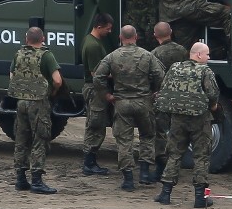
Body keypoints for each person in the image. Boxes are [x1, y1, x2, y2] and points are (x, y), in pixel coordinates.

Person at [93, 25, 165, 191]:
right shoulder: (147, 56)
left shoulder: (112, 56)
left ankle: (128, 179)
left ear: (120, 37)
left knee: (124, 141)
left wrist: (107, 95)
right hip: (143, 102)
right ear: (136, 37)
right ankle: (145, 173)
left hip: (122, 102)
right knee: (148, 136)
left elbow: (98, 77)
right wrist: (156, 91)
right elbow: (160, 75)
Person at [153, 42, 220, 208]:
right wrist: (214, 107)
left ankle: (165, 193)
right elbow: (213, 94)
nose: (209, 58)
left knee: (174, 154)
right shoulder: (205, 71)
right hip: (199, 118)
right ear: (198, 55)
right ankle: (199, 197)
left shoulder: (175, 68)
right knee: (201, 155)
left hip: (177, 118)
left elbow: (165, 88)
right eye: (207, 54)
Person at [8, 27, 62, 195]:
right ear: (43, 38)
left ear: (26, 40)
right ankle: (37, 180)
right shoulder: (46, 55)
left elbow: (11, 76)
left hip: (21, 102)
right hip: (38, 103)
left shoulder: (18, 54)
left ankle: (21, 179)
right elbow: (57, 80)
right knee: (40, 139)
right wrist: (51, 92)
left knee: (21, 139)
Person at [149, 21, 188, 181]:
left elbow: (152, 76)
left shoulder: (154, 54)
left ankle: (161, 168)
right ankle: (175, 166)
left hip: (162, 99)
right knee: (177, 132)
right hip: (179, 97)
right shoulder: (182, 50)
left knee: (160, 133)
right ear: (171, 32)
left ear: (155, 35)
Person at [80, 12, 113, 176]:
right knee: (95, 125)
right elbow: (95, 74)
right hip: (95, 90)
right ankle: (89, 163)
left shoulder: (92, 41)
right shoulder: (93, 45)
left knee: (95, 124)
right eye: (108, 28)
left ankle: (90, 162)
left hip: (94, 88)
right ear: (99, 26)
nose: (110, 31)